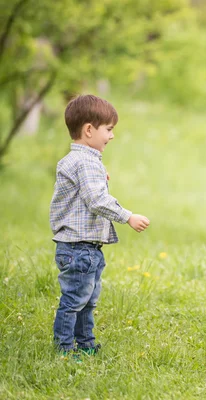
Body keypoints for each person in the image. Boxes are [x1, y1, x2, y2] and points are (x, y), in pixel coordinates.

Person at [50, 94, 150, 357]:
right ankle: (64, 349)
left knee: (87, 300)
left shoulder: (79, 161)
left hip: (84, 247)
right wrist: (127, 216)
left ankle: (86, 344)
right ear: (89, 130)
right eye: (109, 129)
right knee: (74, 301)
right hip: (79, 247)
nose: (112, 136)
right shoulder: (85, 162)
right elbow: (96, 200)